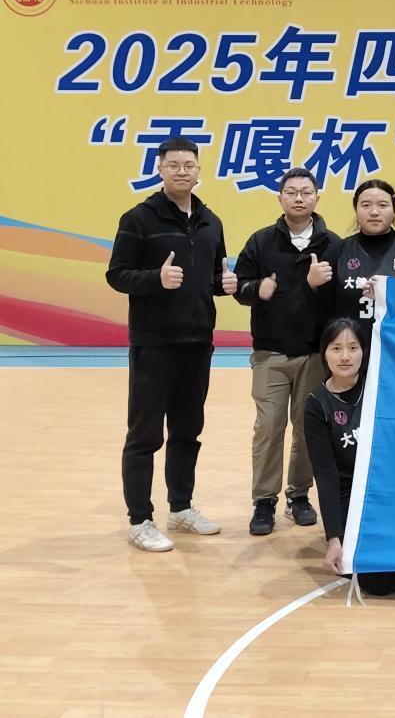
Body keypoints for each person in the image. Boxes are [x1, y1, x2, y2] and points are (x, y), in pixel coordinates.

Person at [106, 137, 237, 552]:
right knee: (144, 435)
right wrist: (155, 280)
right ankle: (140, 520)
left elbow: (209, 278)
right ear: (160, 169)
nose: (182, 171)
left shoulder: (211, 222)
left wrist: (224, 284)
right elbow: (117, 274)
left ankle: (180, 508)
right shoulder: (138, 218)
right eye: (174, 164)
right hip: (154, 342)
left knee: (187, 431)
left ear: (199, 171)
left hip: (198, 341)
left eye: (189, 165)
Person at [233, 167, 340, 536]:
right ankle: (264, 502)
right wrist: (255, 289)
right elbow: (239, 286)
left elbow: (338, 298)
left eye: (306, 192)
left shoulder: (332, 244)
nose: (298, 198)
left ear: (317, 198)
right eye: (291, 192)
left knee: (308, 430)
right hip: (271, 354)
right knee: (268, 428)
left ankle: (299, 496)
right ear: (280, 197)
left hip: (314, 354)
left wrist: (315, 287)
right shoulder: (261, 241)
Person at [304, 318, 395, 596]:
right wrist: (333, 539)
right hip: (350, 497)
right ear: (324, 353)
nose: (345, 356)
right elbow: (326, 477)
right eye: (336, 348)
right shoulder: (316, 405)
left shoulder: (380, 387)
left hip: (387, 490)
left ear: (364, 351)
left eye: (353, 348)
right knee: (378, 583)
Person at [308, 179, 395, 342]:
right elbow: (321, 313)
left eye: (383, 205)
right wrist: (313, 285)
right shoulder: (337, 251)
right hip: (350, 349)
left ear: (394, 210)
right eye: (366, 205)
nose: (374, 212)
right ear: (356, 209)